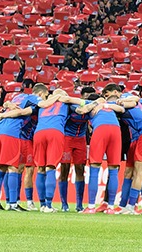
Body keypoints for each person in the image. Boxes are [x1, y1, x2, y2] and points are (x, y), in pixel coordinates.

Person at [30, 84, 86, 213]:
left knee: (40, 169)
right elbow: (82, 110)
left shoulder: (43, 103)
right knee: (51, 167)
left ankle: (43, 205)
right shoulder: (66, 104)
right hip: (55, 133)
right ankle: (49, 205)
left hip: (38, 133)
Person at [81, 85, 124, 214]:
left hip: (100, 130)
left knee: (94, 168)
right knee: (114, 170)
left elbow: (79, 109)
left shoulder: (91, 105)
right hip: (116, 131)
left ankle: (91, 206)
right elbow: (121, 109)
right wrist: (105, 105)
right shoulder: (110, 105)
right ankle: (110, 207)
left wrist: (95, 104)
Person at [57, 98, 89, 213]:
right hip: (67, 138)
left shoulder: (91, 108)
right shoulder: (70, 107)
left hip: (81, 139)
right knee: (64, 169)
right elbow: (80, 110)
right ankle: (64, 204)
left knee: (80, 170)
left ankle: (79, 205)